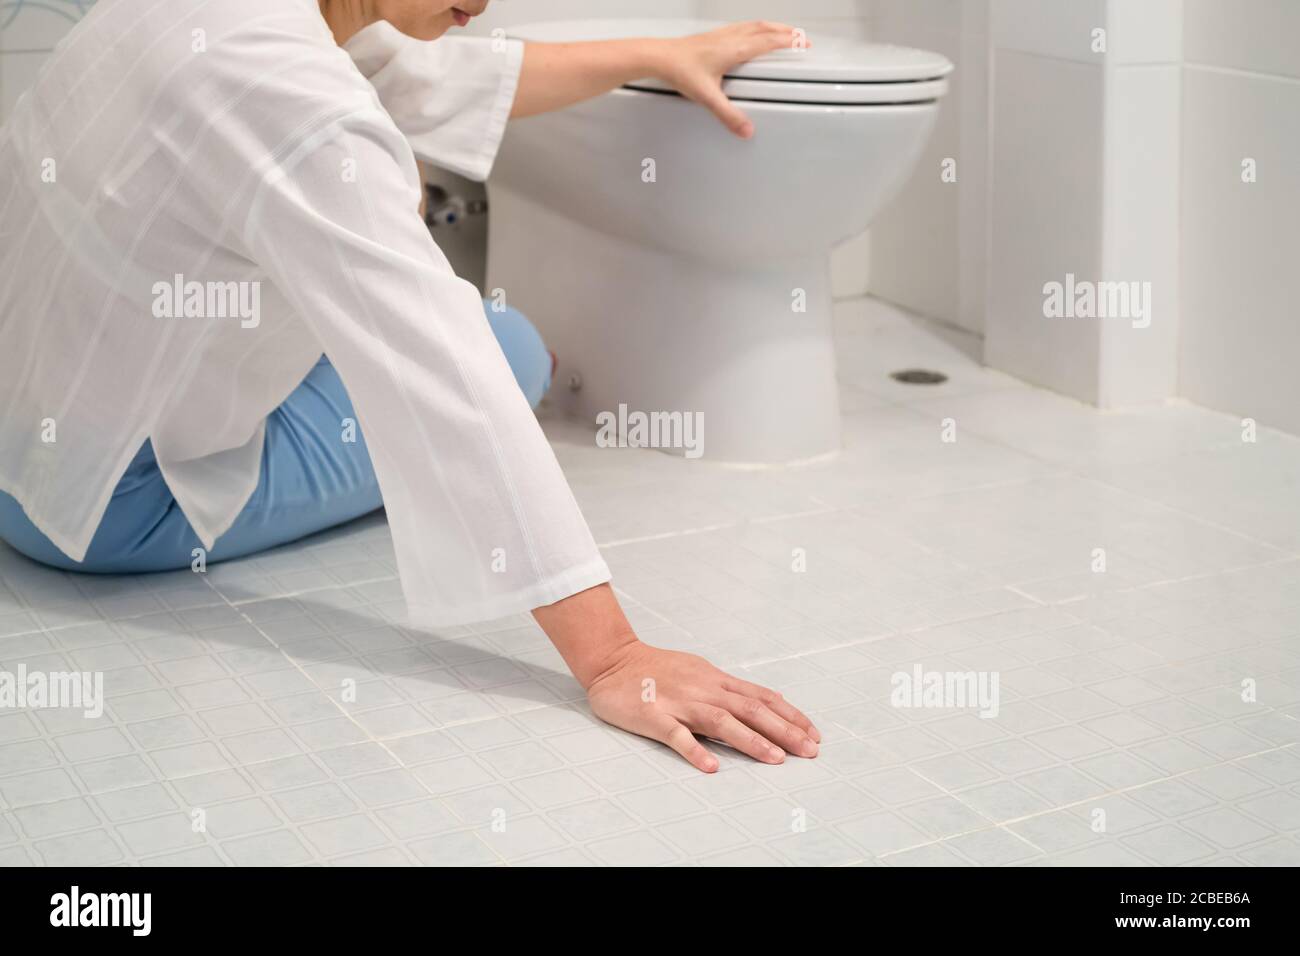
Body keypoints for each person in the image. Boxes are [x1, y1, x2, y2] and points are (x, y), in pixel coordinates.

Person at [0, 0, 820, 771]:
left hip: (29, 424)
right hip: (106, 505)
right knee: (509, 352)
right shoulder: (290, 94)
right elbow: (439, 365)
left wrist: (658, 54)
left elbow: (441, 78)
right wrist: (614, 655)